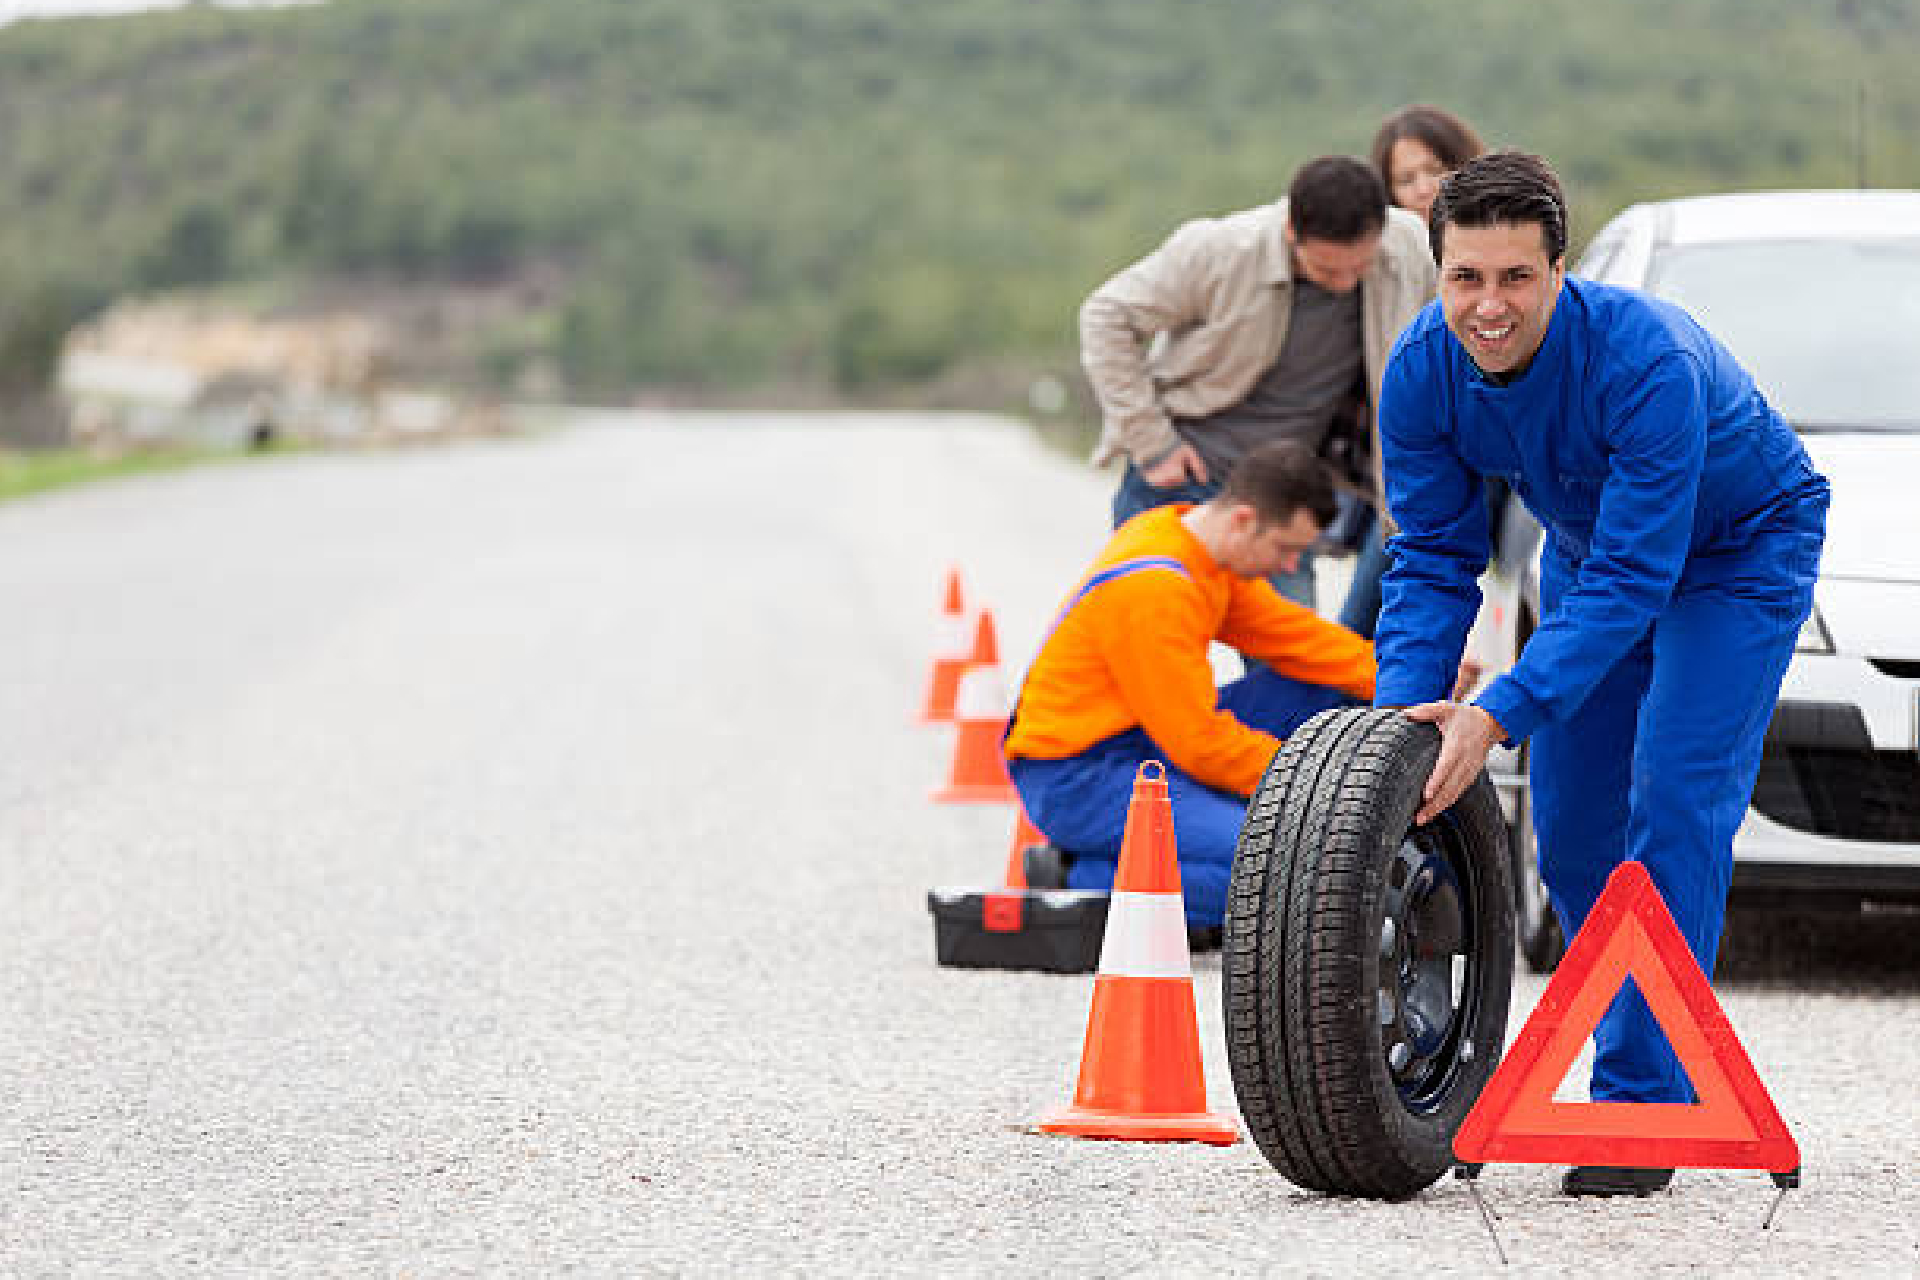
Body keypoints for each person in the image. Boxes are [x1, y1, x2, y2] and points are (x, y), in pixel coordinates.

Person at [1370, 152, 1829, 1198]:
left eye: (1516, 278)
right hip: (1593, 548)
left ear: (1560, 269)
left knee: (1673, 795)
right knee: (1573, 830)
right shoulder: (1420, 370)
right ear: (1437, 271)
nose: (1489, 306)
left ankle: (1642, 1100)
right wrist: (1403, 724)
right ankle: (1635, 1026)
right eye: (1465, 278)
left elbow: (1638, 576)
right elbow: (1435, 555)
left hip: (1738, 551)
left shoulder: (1644, 360)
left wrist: (1497, 711)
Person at [1005, 442, 1473, 934]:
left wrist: (1417, 680)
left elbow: (1301, 642)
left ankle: (1182, 840)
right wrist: (1314, 791)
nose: (1290, 566)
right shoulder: (1156, 588)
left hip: (1141, 740)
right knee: (1273, 870)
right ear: (1245, 520)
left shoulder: (1198, 546)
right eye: (1286, 548)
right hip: (1077, 774)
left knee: (1317, 688)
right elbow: (1199, 744)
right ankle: (1077, 875)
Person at [1079, 156, 1436, 609]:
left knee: (1291, 664)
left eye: (1359, 267)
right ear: (1292, 232)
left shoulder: (1408, 247)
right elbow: (1106, 315)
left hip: (1286, 494)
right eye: (1328, 271)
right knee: (1142, 632)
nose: (1346, 284)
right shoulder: (1220, 249)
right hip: (1183, 475)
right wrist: (1151, 443)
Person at [1336, 106, 1490, 638]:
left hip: (1480, 460)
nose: (1424, 188)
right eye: (1405, 179)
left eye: (1436, 170)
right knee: (1371, 618)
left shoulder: (1501, 249)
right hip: (1407, 468)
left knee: (1386, 616)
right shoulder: (1377, 261)